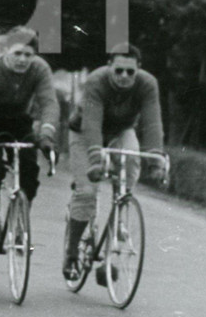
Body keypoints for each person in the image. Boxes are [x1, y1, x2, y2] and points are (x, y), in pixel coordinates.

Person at [64, 44, 164, 283]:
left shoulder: (148, 84)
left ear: (138, 69)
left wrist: (156, 157)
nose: (124, 77)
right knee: (87, 192)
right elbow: (92, 122)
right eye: (119, 70)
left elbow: (151, 121)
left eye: (130, 72)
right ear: (109, 66)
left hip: (121, 130)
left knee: (132, 159)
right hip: (85, 133)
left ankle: (121, 207)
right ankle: (72, 252)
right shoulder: (96, 81)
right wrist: (96, 160)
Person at [0, 34, 59, 254]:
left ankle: (20, 222)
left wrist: (46, 134)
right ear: (5, 51)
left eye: (28, 55)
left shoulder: (39, 69)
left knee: (30, 171)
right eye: (17, 53)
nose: (22, 60)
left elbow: (49, 103)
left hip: (18, 121)